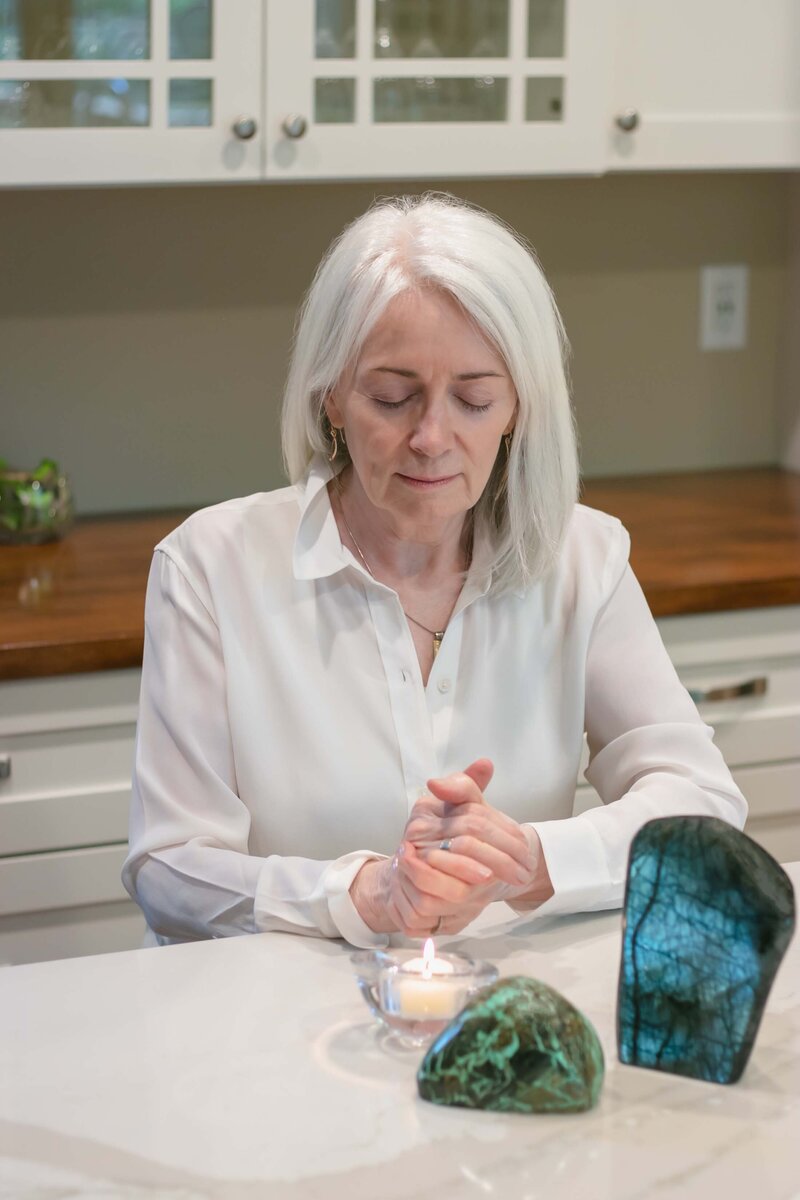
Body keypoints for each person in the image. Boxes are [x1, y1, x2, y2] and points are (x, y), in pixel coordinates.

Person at [122, 192, 747, 948]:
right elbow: (170, 869)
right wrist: (359, 895)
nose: (432, 438)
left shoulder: (582, 558)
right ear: (331, 400)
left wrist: (532, 860)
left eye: (475, 399)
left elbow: (705, 799)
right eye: (392, 397)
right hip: (271, 1020)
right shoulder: (210, 568)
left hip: (501, 1011)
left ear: (519, 407)